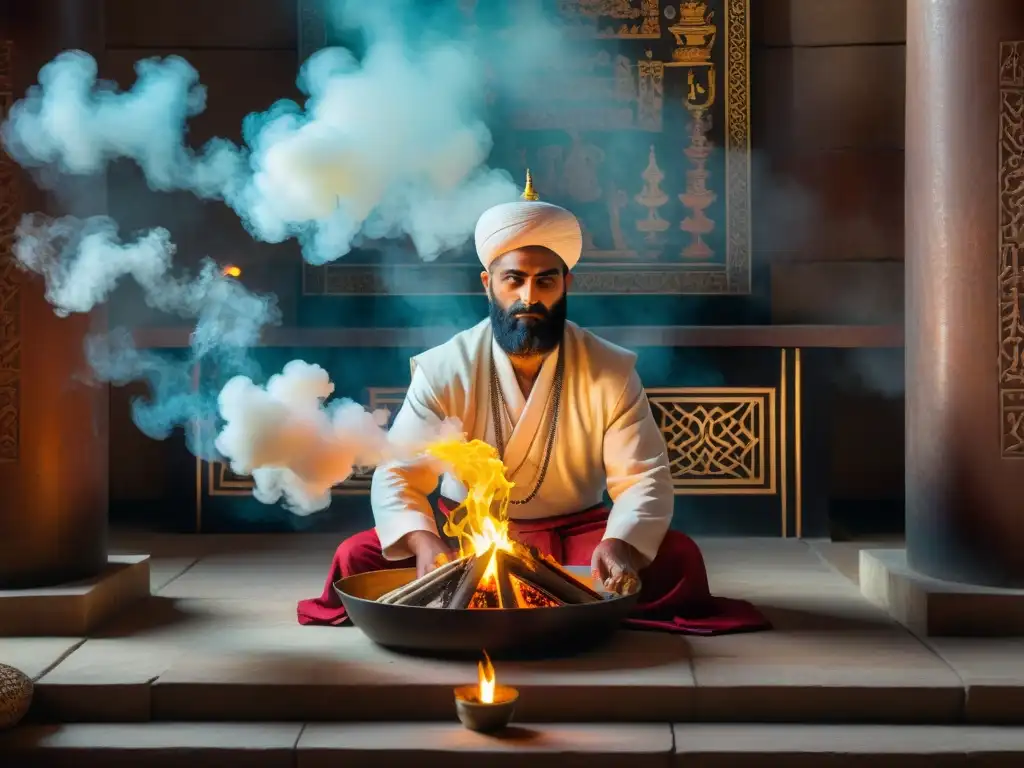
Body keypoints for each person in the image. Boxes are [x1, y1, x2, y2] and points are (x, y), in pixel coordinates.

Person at [298, 173, 769, 634]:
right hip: (462, 538)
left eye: (546, 282)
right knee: (356, 557)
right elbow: (399, 471)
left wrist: (620, 543)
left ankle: (496, 594)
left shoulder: (609, 368)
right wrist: (423, 544)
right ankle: (556, 597)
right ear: (488, 284)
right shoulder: (445, 368)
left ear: (567, 283)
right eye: (514, 281)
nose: (530, 297)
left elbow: (643, 476)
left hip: (576, 537)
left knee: (678, 557)